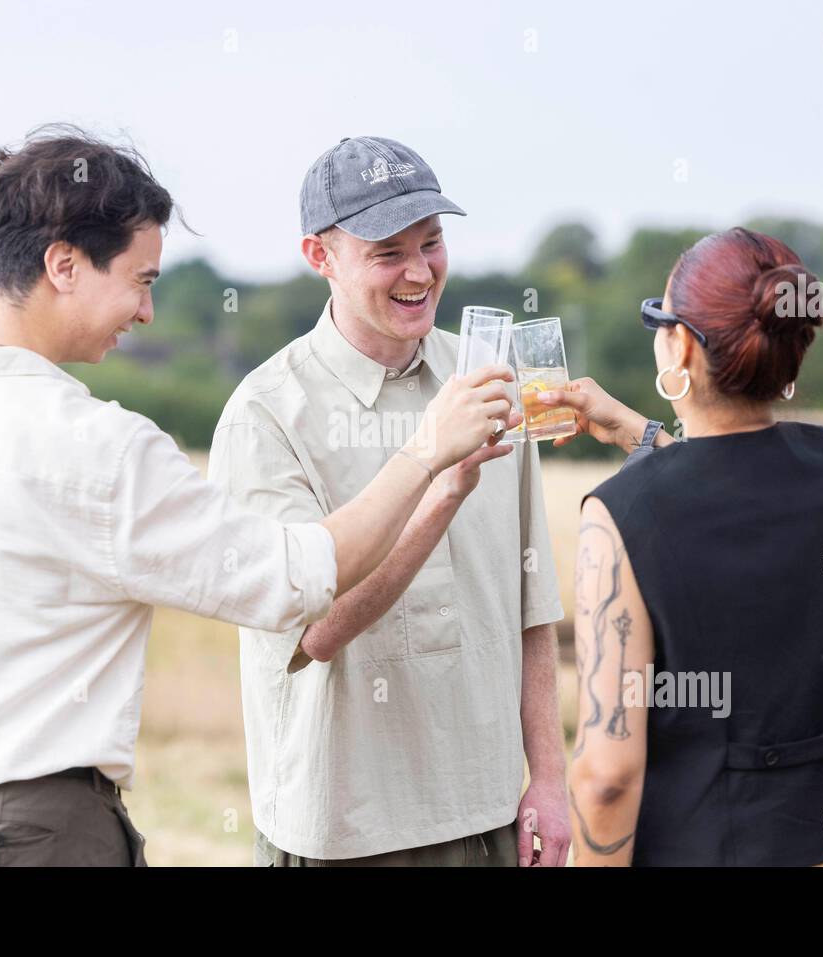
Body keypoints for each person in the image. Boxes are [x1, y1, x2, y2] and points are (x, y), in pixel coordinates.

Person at [0, 126, 515, 867]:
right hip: (35, 838)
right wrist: (427, 452)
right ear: (63, 265)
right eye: (141, 281)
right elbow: (296, 579)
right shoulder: (93, 444)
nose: (147, 314)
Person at [208, 136, 570, 866]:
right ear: (320, 257)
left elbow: (532, 608)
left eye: (431, 242)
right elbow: (315, 633)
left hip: (491, 817)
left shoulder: (489, 383)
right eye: (387, 252)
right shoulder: (266, 417)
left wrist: (551, 781)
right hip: (348, 835)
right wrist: (438, 486)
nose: (419, 272)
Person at [539, 227, 823, 866]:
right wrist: (645, 436)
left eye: (657, 318)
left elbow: (608, 775)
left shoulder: (621, 516)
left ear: (682, 345)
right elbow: (743, 497)